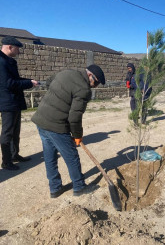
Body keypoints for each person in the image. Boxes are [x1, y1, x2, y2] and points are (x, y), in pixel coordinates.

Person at [31, 64, 105, 198]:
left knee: (50, 157)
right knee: (72, 157)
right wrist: (78, 135)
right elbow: (74, 117)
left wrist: (59, 97)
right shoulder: (84, 89)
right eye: (97, 82)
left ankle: (55, 188)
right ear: (89, 75)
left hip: (41, 120)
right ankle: (79, 187)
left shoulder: (66, 72)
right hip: (56, 126)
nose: (96, 86)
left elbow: (49, 82)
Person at [0, 36, 39, 170]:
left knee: (15, 131)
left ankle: (14, 155)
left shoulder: (8, 61)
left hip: (14, 102)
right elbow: (9, 83)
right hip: (7, 103)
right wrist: (28, 83)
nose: (19, 52)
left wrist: (29, 80)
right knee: (7, 133)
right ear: (9, 47)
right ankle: (6, 161)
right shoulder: (1, 62)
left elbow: (15, 79)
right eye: (17, 49)